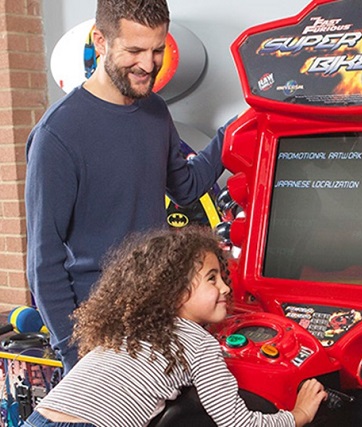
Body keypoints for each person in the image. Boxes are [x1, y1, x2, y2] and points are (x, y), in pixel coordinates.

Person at [25, 0, 229, 373]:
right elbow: (44, 263)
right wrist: (75, 355)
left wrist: (231, 135)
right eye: (134, 51)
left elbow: (185, 187)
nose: (148, 64)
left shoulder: (154, 110)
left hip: (159, 314)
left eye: (157, 50)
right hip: (99, 333)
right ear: (100, 42)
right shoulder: (57, 134)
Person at [26, 227, 327, 427]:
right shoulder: (198, 343)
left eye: (223, 278)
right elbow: (236, 421)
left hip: (40, 418)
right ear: (174, 291)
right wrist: (297, 416)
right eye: (212, 279)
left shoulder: (129, 329)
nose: (225, 288)